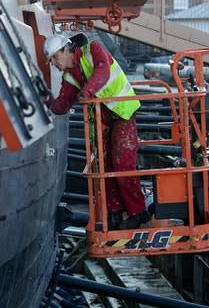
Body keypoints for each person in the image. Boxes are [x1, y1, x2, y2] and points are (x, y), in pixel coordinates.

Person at [44, 34, 150, 229]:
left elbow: (103, 72)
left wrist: (86, 92)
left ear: (65, 50)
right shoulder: (70, 75)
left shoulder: (93, 50)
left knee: (121, 164)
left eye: (53, 58)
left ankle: (138, 213)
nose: (52, 63)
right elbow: (63, 103)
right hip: (105, 119)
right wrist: (45, 103)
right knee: (104, 166)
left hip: (123, 111)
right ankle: (115, 213)